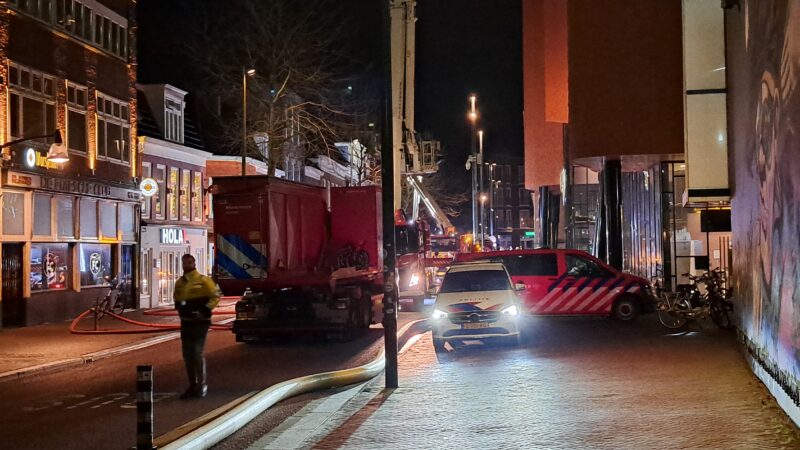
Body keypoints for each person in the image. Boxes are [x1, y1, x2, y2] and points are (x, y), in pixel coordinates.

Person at [173, 254, 220, 399]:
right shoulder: (180, 283)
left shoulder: (203, 281)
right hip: (186, 322)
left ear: (194, 263)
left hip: (200, 322)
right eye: (184, 262)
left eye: (189, 262)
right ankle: (192, 385)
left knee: (197, 352)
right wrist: (182, 309)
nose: (186, 265)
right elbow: (177, 299)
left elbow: (215, 296)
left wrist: (205, 310)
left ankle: (201, 385)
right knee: (187, 355)